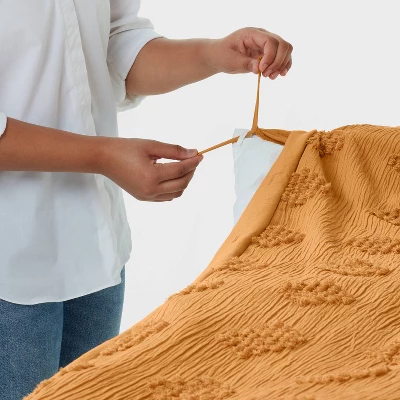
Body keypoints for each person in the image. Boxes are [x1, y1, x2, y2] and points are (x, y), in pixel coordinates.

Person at [0, 1, 293, 398]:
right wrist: (102, 156)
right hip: (9, 267)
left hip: (96, 254)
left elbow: (113, 46)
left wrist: (211, 54)